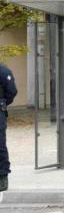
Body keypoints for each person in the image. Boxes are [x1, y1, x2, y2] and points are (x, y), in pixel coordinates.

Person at [0, 61, 16, 192]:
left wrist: (3, 102)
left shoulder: (3, 71)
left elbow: (11, 92)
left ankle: (2, 178)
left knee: (0, 146)